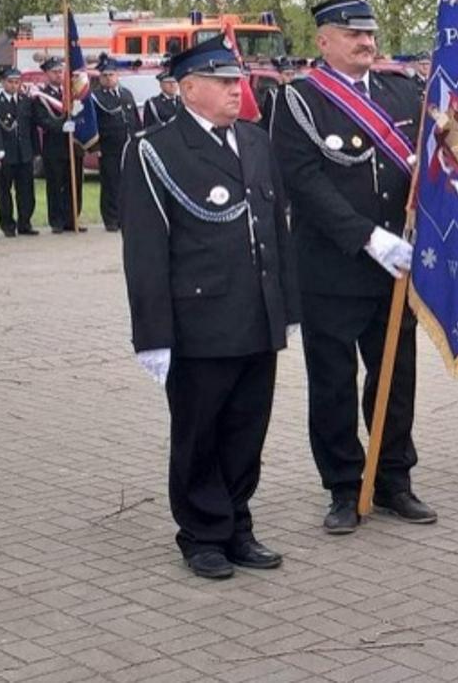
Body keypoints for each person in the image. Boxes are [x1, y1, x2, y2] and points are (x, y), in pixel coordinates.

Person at [121, 35, 298, 581]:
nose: (234, 90)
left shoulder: (253, 140)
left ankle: (237, 522)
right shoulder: (156, 148)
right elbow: (146, 250)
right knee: (200, 430)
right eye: (222, 82)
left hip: (256, 313)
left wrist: (287, 305)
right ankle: (201, 533)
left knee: (248, 427)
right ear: (188, 87)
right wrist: (153, 334)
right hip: (199, 321)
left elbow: (276, 227)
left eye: (236, 80)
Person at [271, 0, 434, 532]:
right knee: (334, 381)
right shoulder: (299, 100)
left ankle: (393, 478)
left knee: (397, 375)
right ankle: (343, 484)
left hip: (397, 268)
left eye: (369, 33)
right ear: (323, 41)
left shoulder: (401, 93)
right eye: (353, 34)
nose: (366, 42)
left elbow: (429, 166)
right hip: (333, 268)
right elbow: (305, 182)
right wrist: (367, 236)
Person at [30, 57, 85, 234]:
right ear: (46, 74)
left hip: (73, 145)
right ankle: (57, 220)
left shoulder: (71, 92)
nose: (58, 74)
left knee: (74, 183)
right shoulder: (41, 95)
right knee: (55, 184)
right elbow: (41, 119)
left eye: (60, 71)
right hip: (54, 146)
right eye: (54, 72)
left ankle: (72, 218)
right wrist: (61, 126)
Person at [91, 59, 140, 233]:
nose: (109, 78)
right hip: (108, 147)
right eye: (105, 75)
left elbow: (134, 118)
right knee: (110, 184)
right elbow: (93, 124)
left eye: (112, 75)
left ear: (117, 76)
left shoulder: (126, 94)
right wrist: (96, 147)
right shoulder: (96, 97)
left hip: (127, 145)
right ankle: (111, 219)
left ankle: (125, 217)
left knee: (127, 183)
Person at [0, 69, 40, 237]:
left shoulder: (26, 101)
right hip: (5, 153)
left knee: (26, 191)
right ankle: (7, 225)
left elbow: (32, 128)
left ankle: (25, 222)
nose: (14, 85)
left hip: (24, 152)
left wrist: (35, 151)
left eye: (17, 82)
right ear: (3, 82)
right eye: (10, 82)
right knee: (4, 191)